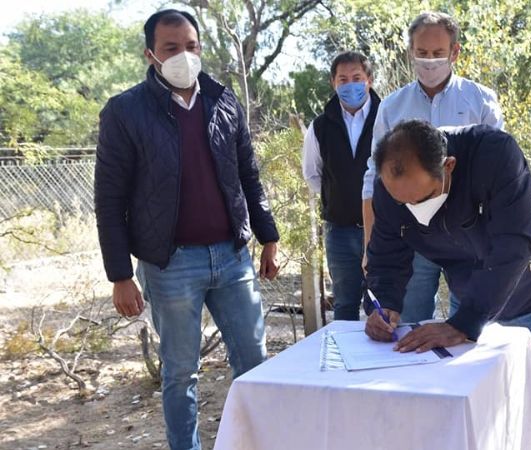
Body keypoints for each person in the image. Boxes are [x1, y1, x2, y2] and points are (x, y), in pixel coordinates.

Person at [363, 120, 531, 449]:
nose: (412, 209)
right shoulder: (392, 192)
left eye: (422, 197)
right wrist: (383, 305)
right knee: (475, 407)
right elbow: (386, 255)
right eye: (403, 203)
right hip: (471, 295)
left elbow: (513, 246)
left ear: (449, 166)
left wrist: (465, 322)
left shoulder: (493, 152)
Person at [94, 9, 279, 450]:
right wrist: (119, 274)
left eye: (191, 46)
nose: (184, 55)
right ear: (151, 54)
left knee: (255, 362)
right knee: (181, 373)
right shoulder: (124, 112)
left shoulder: (224, 100)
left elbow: (248, 175)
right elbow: (109, 200)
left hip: (233, 257)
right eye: (171, 48)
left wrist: (268, 236)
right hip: (170, 263)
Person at [361, 11, 503, 323]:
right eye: (422, 53)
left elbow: (499, 175)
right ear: (411, 52)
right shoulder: (392, 107)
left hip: (470, 235)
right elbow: (376, 178)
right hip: (411, 235)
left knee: (470, 327)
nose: (430, 62)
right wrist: (371, 246)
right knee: (405, 323)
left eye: (438, 54)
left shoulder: (481, 100)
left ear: (455, 52)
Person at [302, 51, 381, 320]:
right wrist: (339, 199)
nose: (350, 85)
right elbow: (313, 174)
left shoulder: (388, 118)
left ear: (369, 80)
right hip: (340, 232)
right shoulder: (320, 127)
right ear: (333, 83)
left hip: (384, 230)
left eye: (357, 78)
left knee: (384, 304)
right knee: (345, 305)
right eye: (343, 79)